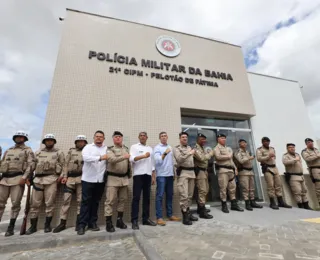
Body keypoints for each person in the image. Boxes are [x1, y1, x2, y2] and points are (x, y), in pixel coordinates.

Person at [26, 134, 65, 235]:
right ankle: (33, 226)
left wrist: (61, 176)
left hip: (51, 180)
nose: (49, 142)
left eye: (51, 140)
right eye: (47, 140)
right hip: (38, 180)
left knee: (50, 203)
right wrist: (28, 177)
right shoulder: (38, 152)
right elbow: (32, 166)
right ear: (44, 142)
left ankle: (47, 225)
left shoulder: (59, 152)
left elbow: (64, 165)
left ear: (54, 141)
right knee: (34, 204)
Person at [0, 131, 35, 237]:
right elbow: (2, 163)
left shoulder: (27, 150)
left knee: (15, 204)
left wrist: (24, 177)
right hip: (5, 179)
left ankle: (11, 227)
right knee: (0, 204)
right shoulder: (8, 150)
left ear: (25, 139)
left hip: (18, 178)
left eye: (21, 137)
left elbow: (31, 164)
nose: (19, 139)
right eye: (17, 137)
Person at [53, 135, 88, 233]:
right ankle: (62, 223)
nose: (80, 143)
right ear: (76, 142)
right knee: (66, 201)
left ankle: (79, 223)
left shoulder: (87, 151)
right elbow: (65, 164)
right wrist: (64, 176)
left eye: (82, 142)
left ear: (85, 143)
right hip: (70, 179)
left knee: (80, 201)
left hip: (82, 179)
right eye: (79, 141)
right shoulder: (71, 151)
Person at [77, 130, 108, 235]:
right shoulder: (88, 147)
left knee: (96, 202)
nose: (99, 138)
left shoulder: (106, 149)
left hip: (100, 180)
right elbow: (85, 158)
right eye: (97, 136)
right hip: (88, 179)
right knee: (85, 202)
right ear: (94, 137)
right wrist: (100, 157)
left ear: (104, 138)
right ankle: (82, 224)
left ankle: (92, 223)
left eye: (101, 137)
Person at [104, 131, 131, 232]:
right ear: (113, 139)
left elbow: (129, 164)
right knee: (110, 201)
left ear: (122, 138)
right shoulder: (110, 149)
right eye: (116, 137)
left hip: (124, 179)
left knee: (122, 200)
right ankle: (108, 222)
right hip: (112, 178)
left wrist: (129, 174)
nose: (118, 138)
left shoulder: (126, 149)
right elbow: (111, 160)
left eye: (119, 137)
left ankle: (119, 220)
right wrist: (124, 157)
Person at [130, 132, 156, 230]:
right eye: (141, 135)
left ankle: (145, 219)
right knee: (136, 198)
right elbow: (131, 159)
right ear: (138, 137)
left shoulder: (150, 148)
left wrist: (153, 176)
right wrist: (143, 156)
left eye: (144, 135)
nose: (142, 137)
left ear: (147, 137)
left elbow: (152, 163)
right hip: (138, 175)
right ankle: (134, 220)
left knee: (147, 198)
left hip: (148, 175)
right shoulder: (134, 147)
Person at [256, 137, 291, 210]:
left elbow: (274, 157)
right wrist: (268, 156)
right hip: (267, 168)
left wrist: (271, 157)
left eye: (268, 141)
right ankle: (272, 202)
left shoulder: (272, 148)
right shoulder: (259, 149)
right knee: (270, 185)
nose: (266, 143)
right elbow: (259, 159)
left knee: (278, 185)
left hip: (274, 168)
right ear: (262, 142)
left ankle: (280, 201)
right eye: (265, 141)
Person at [154, 132, 180, 226]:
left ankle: (170, 215)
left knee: (170, 195)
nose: (164, 137)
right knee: (160, 196)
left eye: (165, 136)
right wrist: (165, 153)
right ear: (160, 138)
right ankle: (159, 217)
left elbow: (172, 162)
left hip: (170, 175)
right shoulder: (157, 148)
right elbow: (157, 161)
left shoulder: (170, 147)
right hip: (161, 175)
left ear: (167, 137)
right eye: (162, 136)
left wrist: (173, 173)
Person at [214, 134, 243, 213]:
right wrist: (228, 156)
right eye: (222, 138)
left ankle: (234, 204)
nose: (224, 139)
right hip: (223, 170)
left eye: (224, 138)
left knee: (233, 188)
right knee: (223, 189)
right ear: (218, 139)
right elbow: (218, 157)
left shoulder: (228, 148)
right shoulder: (216, 148)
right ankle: (224, 205)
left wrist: (235, 168)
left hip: (231, 170)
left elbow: (231, 161)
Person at [173, 132, 198, 225]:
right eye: (183, 137)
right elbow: (179, 159)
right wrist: (189, 153)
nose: (185, 139)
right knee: (184, 195)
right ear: (180, 138)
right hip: (183, 173)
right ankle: (185, 217)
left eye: (186, 137)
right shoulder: (176, 149)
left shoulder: (189, 147)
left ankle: (188, 213)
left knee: (190, 196)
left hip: (192, 172)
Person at [234, 139, 263, 211]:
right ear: (239, 144)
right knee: (245, 189)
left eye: (244, 142)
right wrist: (249, 158)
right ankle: (247, 203)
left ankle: (253, 202)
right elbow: (241, 161)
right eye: (241, 143)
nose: (243, 144)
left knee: (252, 188)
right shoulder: (238, 152)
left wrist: (249, 158)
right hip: (243, 172)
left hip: (250, 171)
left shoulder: (247, 152)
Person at [283, 143, 312, 210]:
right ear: (287, 149)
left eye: (293, 147)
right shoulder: (285, 156)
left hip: (301, 175)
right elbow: (285, 162)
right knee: (297, 192)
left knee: (304, 191)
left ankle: (306, 205)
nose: (292, 148)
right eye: (290, 147)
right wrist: (294, 160)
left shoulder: (297, 154)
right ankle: (301, 207)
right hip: (293, 176)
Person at [193, 133, 214, 219]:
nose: (204, 141)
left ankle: (200, 207)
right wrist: (210, 154)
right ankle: (202, 211)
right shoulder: (195, 148)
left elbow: (205, 159)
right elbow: (201, 158)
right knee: (202, 190)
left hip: (204, 171)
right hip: (200, 171)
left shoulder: (202, 148)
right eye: (202, 139)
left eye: (205, 139)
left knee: (205, 190)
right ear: (198, 139)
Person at [301, 138, 320, 205]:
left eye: (311, 142)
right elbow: (307, 159)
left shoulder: (316, 149)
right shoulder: (305, 151)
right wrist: (317, 156)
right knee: (318, 187)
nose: (311, 143)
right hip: (314, 169)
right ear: (306, 143)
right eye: (309, 142)